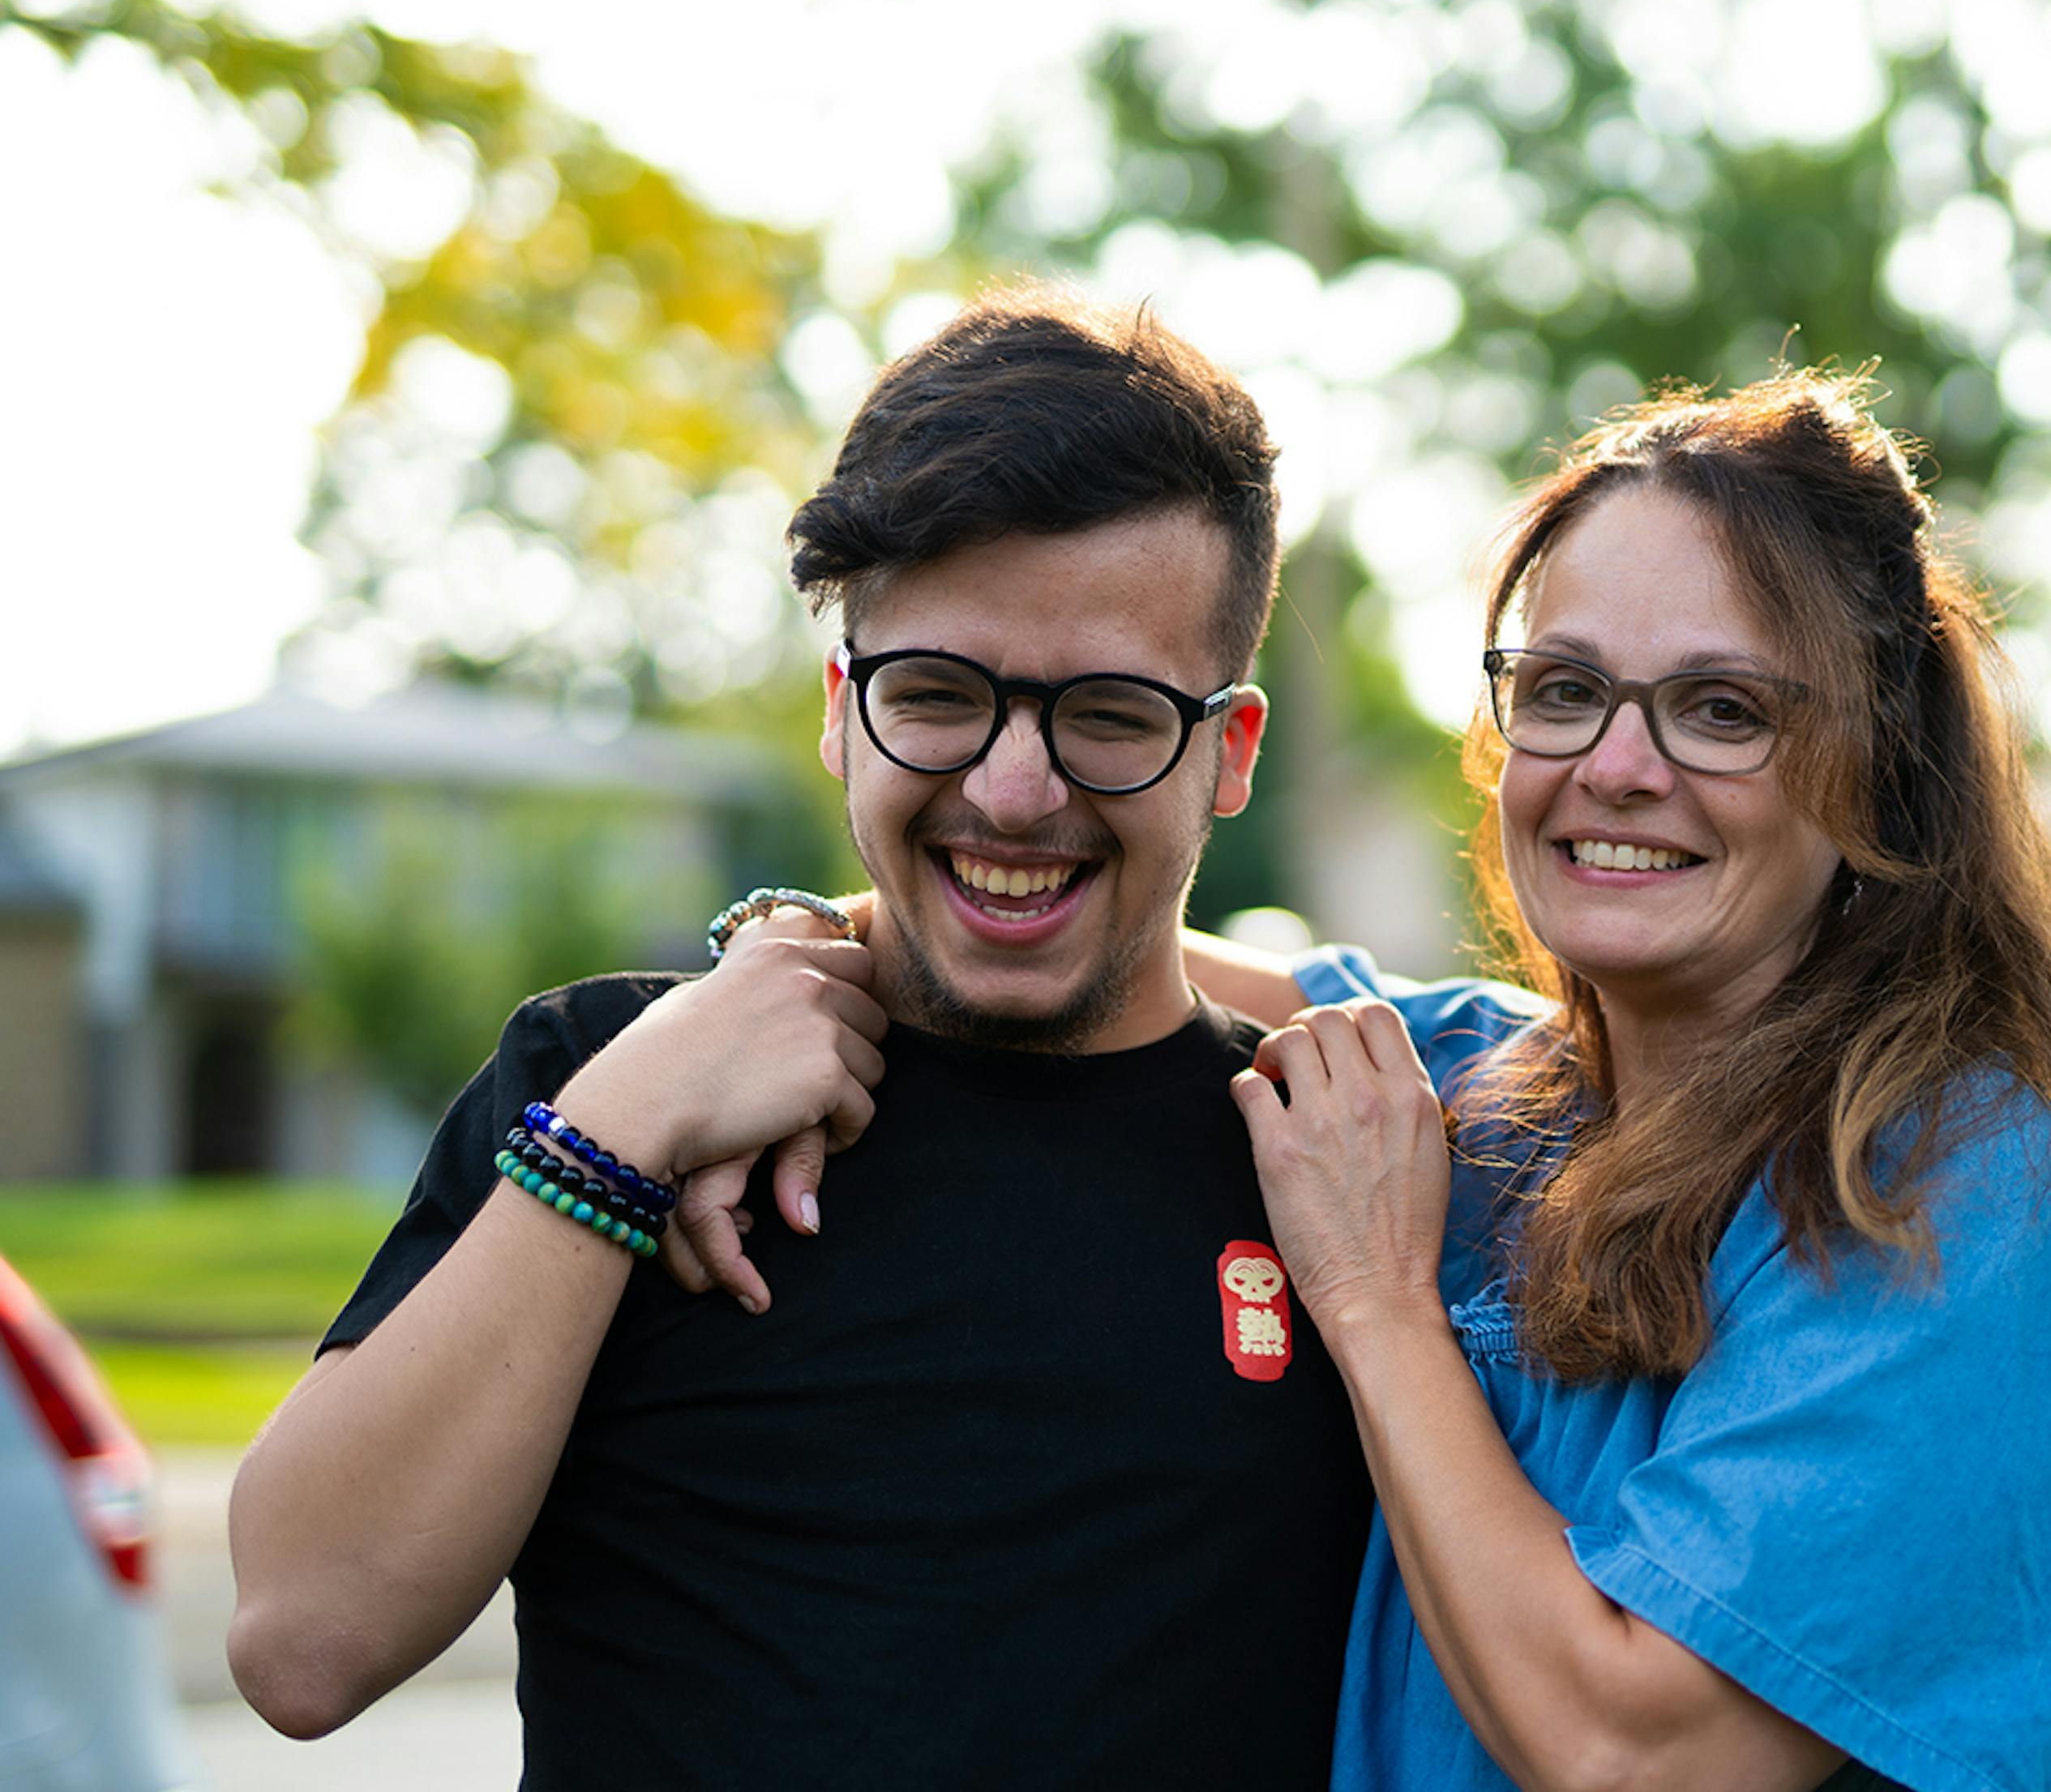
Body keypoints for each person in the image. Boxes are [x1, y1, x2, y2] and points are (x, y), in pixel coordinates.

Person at [717, 372, 2051, 1790]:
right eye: (1565, 690)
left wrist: (1375, 1300)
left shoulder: (1952, 1184)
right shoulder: (1488, 1087)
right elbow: (1103, 956)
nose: (1617, 765)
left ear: (1880, 764)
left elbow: (1635, 1748)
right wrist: (771, 975)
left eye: (1721, 710)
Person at [225, 285, 1379, 1788]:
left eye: (1107, 713)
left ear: (1226, 750)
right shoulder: (607, 1088)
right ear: (843, 712)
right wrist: (616, 1140)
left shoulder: (1346, 1173)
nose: (1013, 790)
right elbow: (304, 1642)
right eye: (940, 696)